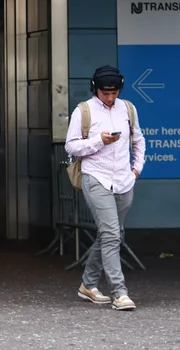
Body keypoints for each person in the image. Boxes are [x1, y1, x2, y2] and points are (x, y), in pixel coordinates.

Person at [65, 65, 146, 312]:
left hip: (123, 179)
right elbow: (71, 147)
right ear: (95, 89)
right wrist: (99, 140)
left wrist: (136, 170)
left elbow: (138, 139)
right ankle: (120, 293)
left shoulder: (128, 108)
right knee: (111, 234)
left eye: (114, 93)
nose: (110, 98)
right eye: (105, 93)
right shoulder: (84, 111)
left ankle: (88, 284)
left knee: (111, 234)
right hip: (96, 177)